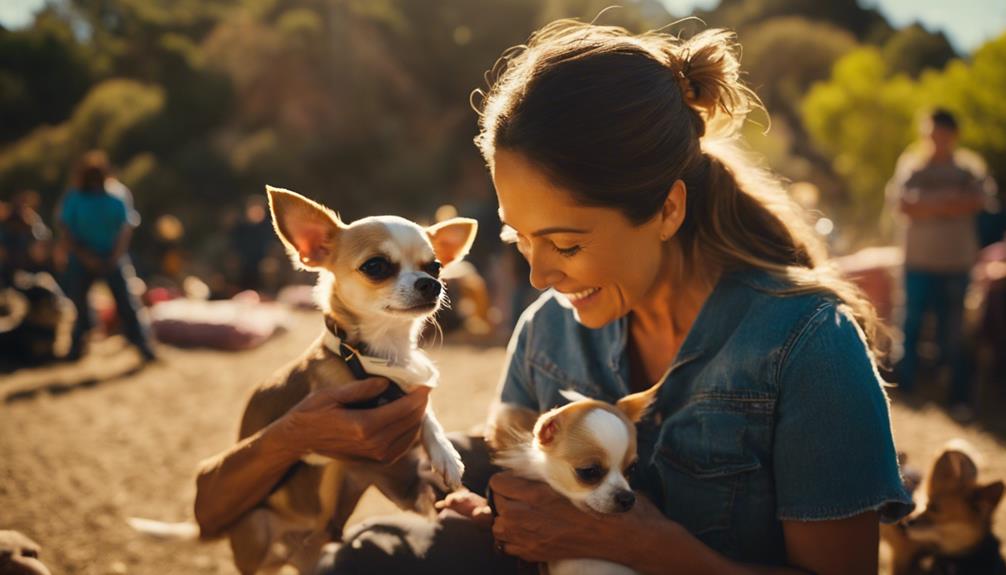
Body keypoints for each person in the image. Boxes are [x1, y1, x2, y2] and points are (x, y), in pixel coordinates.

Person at [196, 21, 914, 575]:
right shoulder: (550, 331)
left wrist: (648, 545)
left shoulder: (807, 344)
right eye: (519, 241)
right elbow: (501, 495)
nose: (538, 277)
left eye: (565, 244)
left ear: (667, 210)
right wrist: (490, 513)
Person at [888, 109, 992, 409]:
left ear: (953, 135)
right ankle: (906, 389)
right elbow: (904, 204)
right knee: (910, 323)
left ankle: (954, 394)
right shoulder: (912, 166)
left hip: (957, 263)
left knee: (955, 330)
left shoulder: (970, 168)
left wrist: (928, 204)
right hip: (917, 261)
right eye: (933, 135)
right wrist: (949, 202)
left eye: (943, 135)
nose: (938, 141)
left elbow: (977, 201)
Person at [57, 150, 157, 361]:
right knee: (79, 304)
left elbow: (125, 228)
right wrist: (84, 256)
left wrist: (114, 256)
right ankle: (77, 346)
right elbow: (65, 228)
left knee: (127, 302)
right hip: (82, 258)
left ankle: (142, 345)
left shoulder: (117, 195)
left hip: (113, 256)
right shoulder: (75, 197)